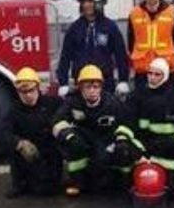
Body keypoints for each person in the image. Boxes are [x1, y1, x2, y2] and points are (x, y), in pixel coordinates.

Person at [51, 64, 143, 197]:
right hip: (84, 140)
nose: (92, 91)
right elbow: (57, 121)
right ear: (80, 87)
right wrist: (69, 136)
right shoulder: (72, 102)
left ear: (101, 87)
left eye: (96, 87)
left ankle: (123, 182)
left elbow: (127, 122)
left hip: (107, 140)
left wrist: (122, 139)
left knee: (123, 151)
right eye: (88, 87)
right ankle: (77, 182)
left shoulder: (112, 103)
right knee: (72, 146)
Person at [128, 57, 174, 193]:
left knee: (171, 191)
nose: (152, 77)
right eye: (150, 73)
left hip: (169, 153)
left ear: (165, 76)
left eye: (157, 74)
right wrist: (138, 150)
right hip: (143, 152)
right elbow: (129, 126)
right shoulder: (137, 96)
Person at [56, 0, 130, 98]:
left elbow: (120, 55)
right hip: (80, 83)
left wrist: (123, 80)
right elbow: (65, 57)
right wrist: (63, 83)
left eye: (90, 2)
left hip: (105, 83)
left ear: (98, 3)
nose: (86, 5)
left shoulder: (110, 27)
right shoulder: (74, 28)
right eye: (83, 2)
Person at [2, 67, 64, 198]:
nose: (28, 95)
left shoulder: (53, 103)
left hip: (48, 151)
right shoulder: (14, 110)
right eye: (23, 92)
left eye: (31, 90)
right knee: (13, 149)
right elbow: (4, 133)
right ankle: (18, 184)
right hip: (27, 153)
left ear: (38, 88)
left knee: (45, 191)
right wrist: (19, 143)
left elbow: (70, 109)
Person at [127, 0, 174, 89]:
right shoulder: (134, 13)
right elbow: (131, 40)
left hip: (165, 66)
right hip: (143, 68)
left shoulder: (171, 12)